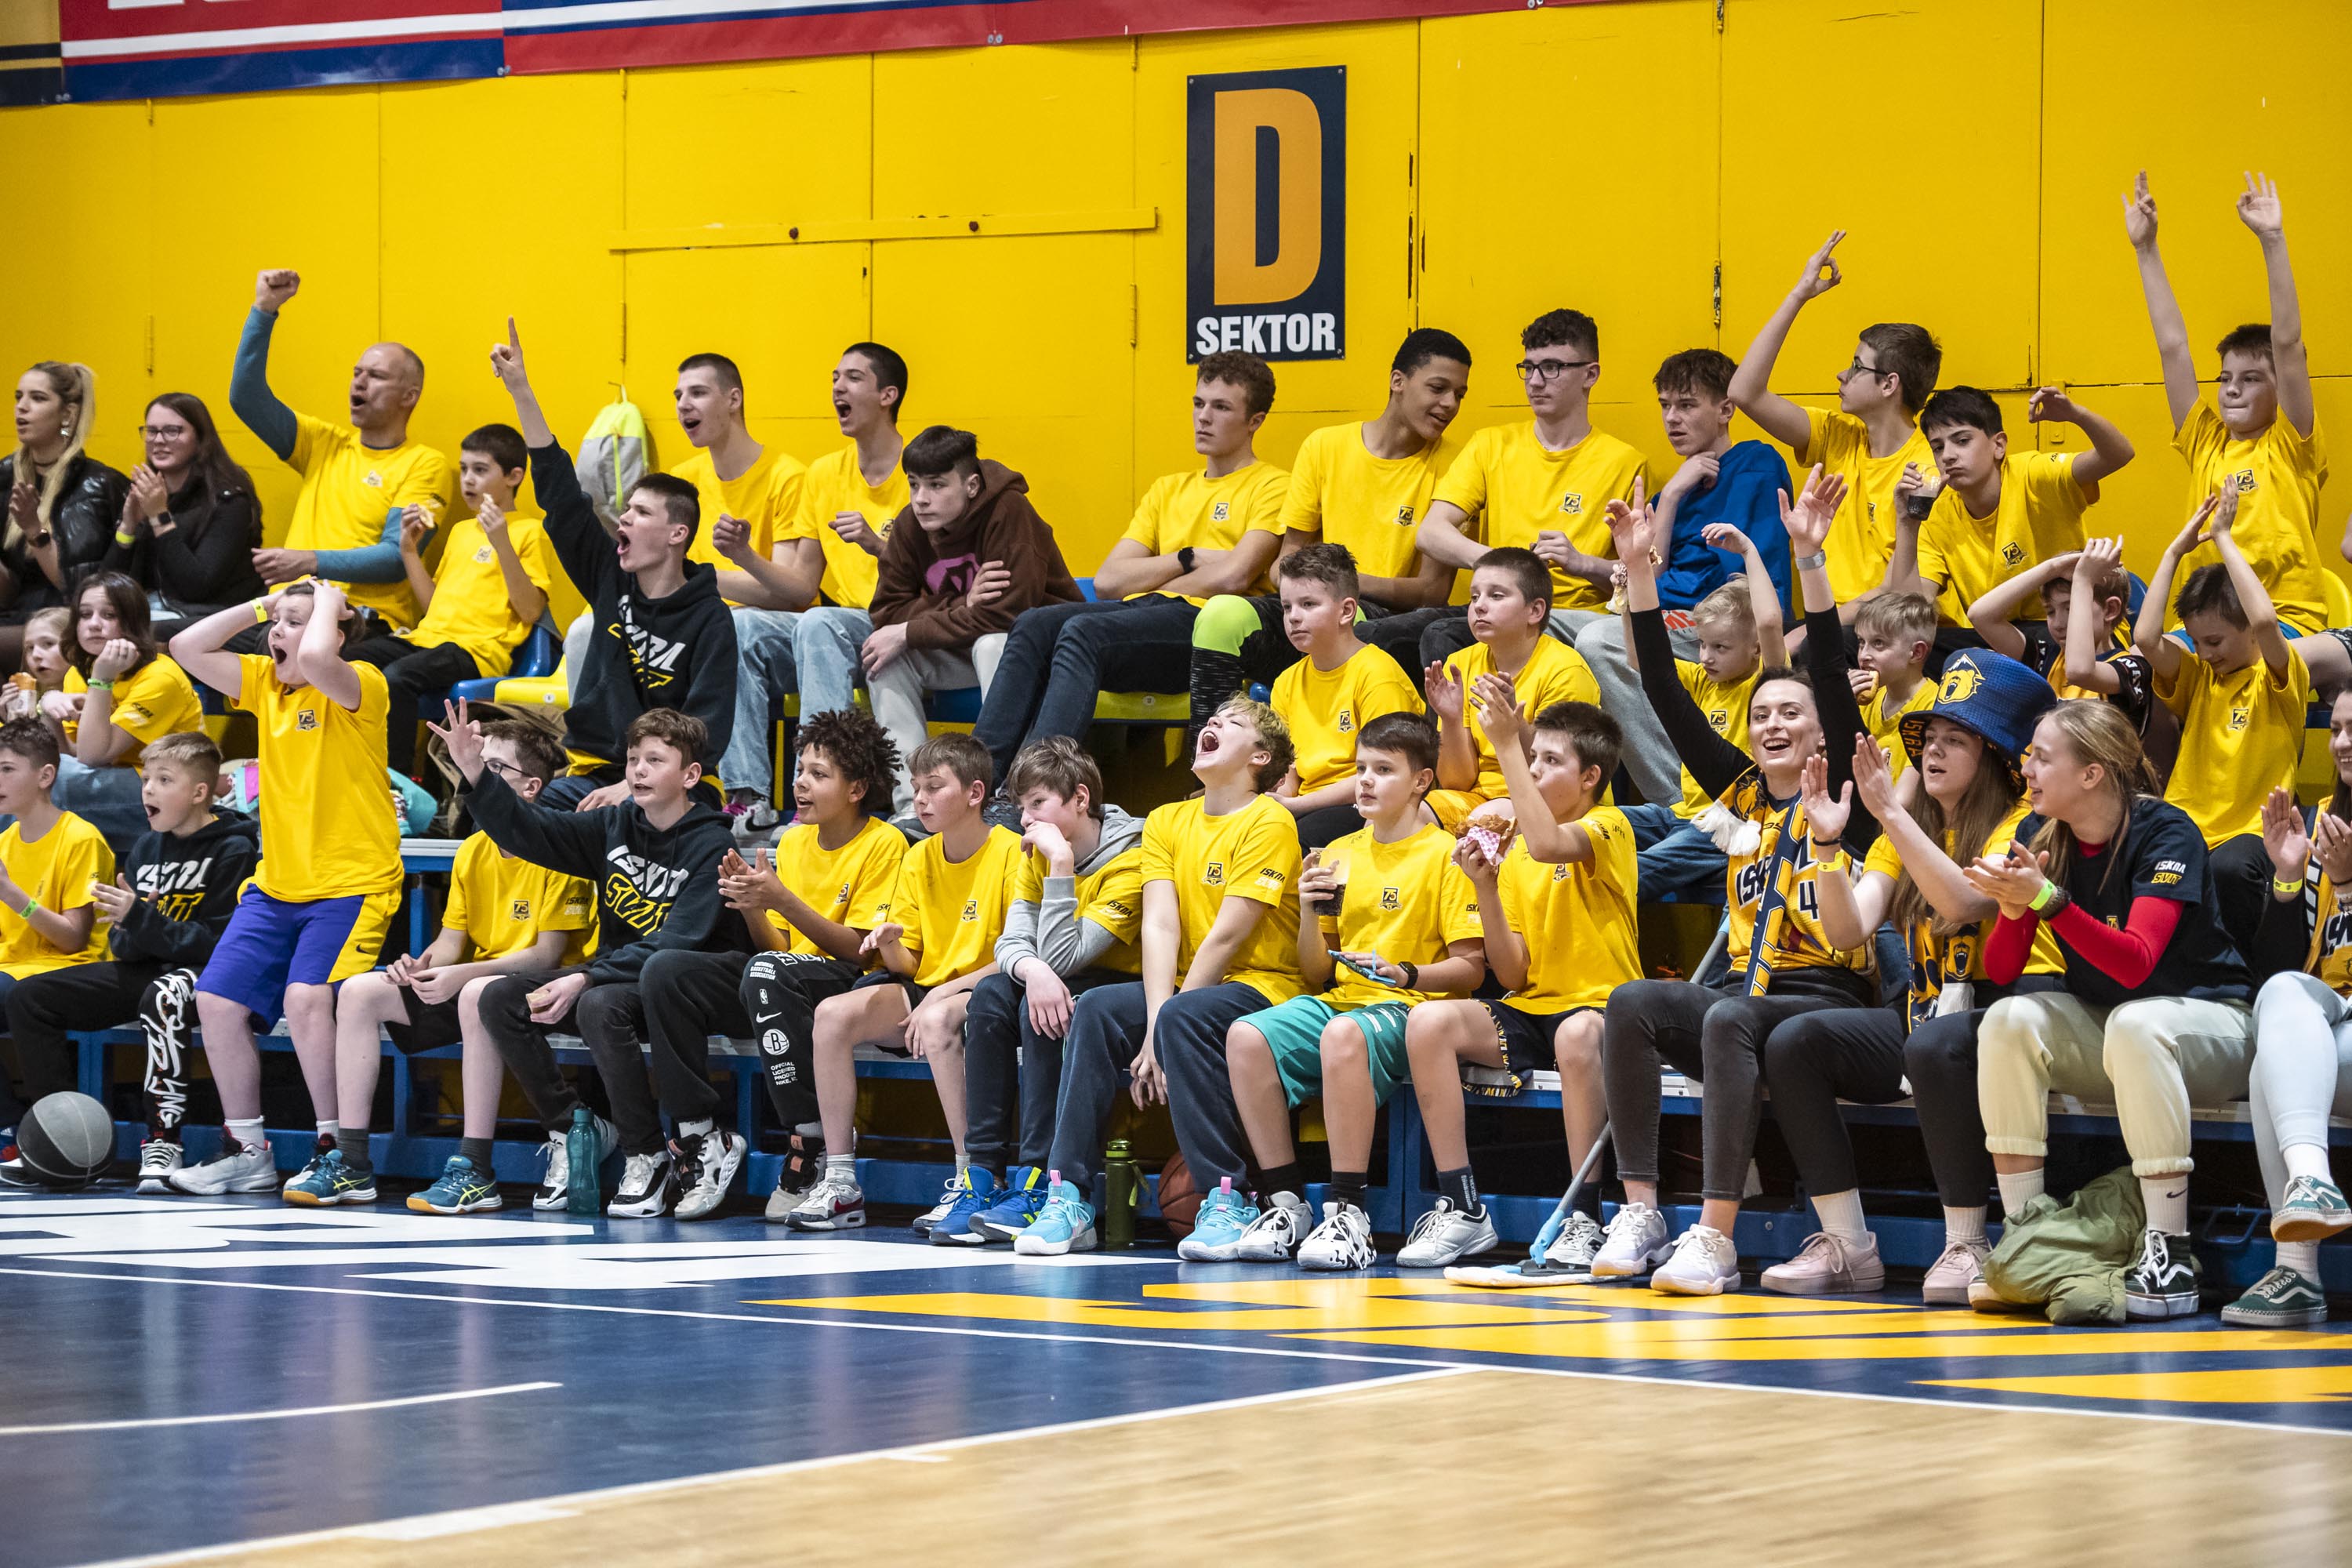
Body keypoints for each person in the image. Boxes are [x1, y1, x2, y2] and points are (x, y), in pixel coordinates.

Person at [1592, 468, 1882, 1295]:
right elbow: (1661, 686)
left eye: (1791, 713)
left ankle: (1715, 1234)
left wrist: (1810, 561)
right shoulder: (1741, 791)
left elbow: (1831, 670)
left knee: (1726, 1014)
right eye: (1761, 715)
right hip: (1746, 1001)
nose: (1773, 723)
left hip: (1825, 1001)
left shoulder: (1849, 796)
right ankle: (1643, 1213)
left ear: (1822, 731)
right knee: (1634, 1003)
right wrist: (1638, 570)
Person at [1759, 652, 2061, 1298]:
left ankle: (1968, 1243)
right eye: (1929, 738)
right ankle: (1847, 1244)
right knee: (1796, 1042)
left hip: (2010, 1010)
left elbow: (1966, 903)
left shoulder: (2021, 823)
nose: (1933, 752)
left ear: (1995, 759)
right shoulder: (1908, 829)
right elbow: (1847, 930)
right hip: (1929, 1014)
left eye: (1956, 740)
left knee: (1933, 1045)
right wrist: (1827, 846)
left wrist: (1891, 814)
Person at [1963, 700, 2254, 1320]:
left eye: (2043, 757)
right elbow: (2004, 971)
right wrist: (2013, 909)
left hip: (2212, 1027)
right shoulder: (2038, 834)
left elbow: (2135, 964)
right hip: (2119, 1030)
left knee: (2136, 1022)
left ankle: (2169, 1251)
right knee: (2008, 1020)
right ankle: (2028, 1238)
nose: (2026, 768)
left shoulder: (2167, 831)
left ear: (2092, 773)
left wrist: (2048, 900)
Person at [1007, 697, 1302, 1256]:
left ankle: (1227, 1197)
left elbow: (1227, 937)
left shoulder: (1271, 820)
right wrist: (1154, 1024)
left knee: (1183, 1016)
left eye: (1232, 723)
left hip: (1263, 985)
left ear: (1260, 757)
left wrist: (1161, 1030)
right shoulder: (1167, 820)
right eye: (1212, 718)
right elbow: (1161, 927)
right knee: (1095, 1008)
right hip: (1187, 991)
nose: (1212, 723)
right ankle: (1068, 1196)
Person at [1195, 713, 1485, 1267]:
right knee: (1247, 1036)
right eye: (1361, 769)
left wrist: (1406, 974)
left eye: (1384, 770)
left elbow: (1471, 968)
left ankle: (1348, 1213)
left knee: (1343, 1032)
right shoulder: (1338, 852)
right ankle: (1285, 1202)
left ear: (1422, 781)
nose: (1366, 781)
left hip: (1415, 1008)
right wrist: (1308, 910)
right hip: (1344, 1002)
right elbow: (1315, 971)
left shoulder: (1445, 856)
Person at [435, 704, 742, 1218]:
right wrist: (475, 773)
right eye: (633, 760)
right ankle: (571, 1127)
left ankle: (646, 1152)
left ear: (690, 775)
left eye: (655, 761)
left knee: (600, 1004)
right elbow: (529, 829)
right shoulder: (613, 824)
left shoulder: (712, 841)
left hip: (683, 990)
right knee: (499, 997)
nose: (638, 771)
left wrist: (584, 976)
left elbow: (677, 942)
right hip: (616, 977)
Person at [160, 580, 401, 1197]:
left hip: (351, 884)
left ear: (336, 632)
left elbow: (317, 657)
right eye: (277, 623)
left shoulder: (362, 682)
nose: (278, 633)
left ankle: (335, 1152)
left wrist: (328, 601)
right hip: (277, 886)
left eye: (296, 622)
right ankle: (247, 1151)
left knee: (306, 1000)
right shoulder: (264, 682)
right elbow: (186, 645)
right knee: (216, 1001)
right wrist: (263, 605)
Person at [1396, 699, 1635, 1271]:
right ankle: (1462, 1206)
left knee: (1576, 1035)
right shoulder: (1519, 850)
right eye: (1532, 757)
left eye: (1550, 760)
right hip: (1532, 1007)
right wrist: (1485, 885)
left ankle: (1584, 1217)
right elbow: (1512, 975)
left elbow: (1552, 844)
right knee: (1428, 1021)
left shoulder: (1609, 825)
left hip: (1602, 1007)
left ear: (1590, 777)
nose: (1533, 769)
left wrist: (1505, 741)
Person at [971, 353, 1286, 785]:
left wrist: (1156, 574)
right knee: (1033, 624)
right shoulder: (1167, 489)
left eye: (1221, 407)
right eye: (1198, 403)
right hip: (1141, 615)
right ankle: (976, 783)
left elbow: (1234, 578)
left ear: (1255, 421)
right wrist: (1188, 556)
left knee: (1083, 631)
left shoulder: (1274, 486)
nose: (1204, 417)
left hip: (1205, 628)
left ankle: (1035, 788)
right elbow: (1109, 581)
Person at [323, 719, 596, 1213]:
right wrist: (423, 965)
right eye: (476, 764)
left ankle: (475, 1167)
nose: (478, 774)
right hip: (478, 982)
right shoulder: (473, 847)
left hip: (544, 993)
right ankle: (352, 1160)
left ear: (531, 787)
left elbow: (546, 955)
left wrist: (461, 974)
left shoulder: (561, 848)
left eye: (495, 767)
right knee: (360, 992)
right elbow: (452, 941)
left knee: (475, 994)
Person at [491, 319, 736, 809]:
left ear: (677, 534)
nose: (624, 518)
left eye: (641, 513)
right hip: (596, 774)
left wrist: (638, 782)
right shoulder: (610, 577)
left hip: (679, 786)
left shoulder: (711, 620)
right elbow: (561, 494)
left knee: (642, 820)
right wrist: (521, 390)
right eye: (627, 510)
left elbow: (705, 732)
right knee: (518, 819)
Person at [782, 733, 1022, 1232]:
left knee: (936, 1020)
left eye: (934, 787)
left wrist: (942, 993)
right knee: (832, 1015)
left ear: (975, 793)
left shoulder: (1012, 853)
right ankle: (841, 1182)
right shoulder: (918, 856)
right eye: (916, 789)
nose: (920, 800)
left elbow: (1018, 954)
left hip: (991, 988)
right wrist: (890, 943)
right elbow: (911, 966)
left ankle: (975, 1177)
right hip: (929, 989)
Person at [0, 731, 256, 1191]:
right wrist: (131, 927)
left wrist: (142, 919)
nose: (149, 790)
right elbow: (124, 949)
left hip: (205, 975)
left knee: (163, 994)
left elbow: (219, 943)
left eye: (164, 780)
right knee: (31, 998)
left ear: (199, 792)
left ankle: (163, 1139)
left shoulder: (234, 849)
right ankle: (56, 1138)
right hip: (149, 967)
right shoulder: (145, 849)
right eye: (145, 780)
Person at [1185, 328, 1469, 711]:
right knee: (1221, 615)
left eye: (1459, 395)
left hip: (1383, 616)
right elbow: (1284, 563)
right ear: (1397, 382)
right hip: (1311, 602)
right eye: (1438, 388)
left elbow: (1431, 592)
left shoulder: (1456, 463)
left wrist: (1342, 586)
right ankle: (1213, 747)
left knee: (1346, 622)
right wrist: (1315, 590)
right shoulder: (1325, 446)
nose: (1449, 404)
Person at [951, 738, 1145, 1245]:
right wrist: (1033, 971)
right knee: (991, 995)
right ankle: (982, 1179)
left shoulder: (1132, 858)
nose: (1026, 819)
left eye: (1037, 803)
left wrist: (1061, 867)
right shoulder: (1036, 848)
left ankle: (1038, 1181)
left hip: (1121, 985)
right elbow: (1012, 942)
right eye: (1022, 807)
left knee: (1046, 1008)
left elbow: (1067, 957)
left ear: (1080, 799)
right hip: (1060, 975)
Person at [1581, 348, 1792, 809]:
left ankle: (1678, 794)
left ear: (1726, 410)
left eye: (1687, 405)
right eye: (1665, 405)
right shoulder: (1671, 489)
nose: (1672, 418)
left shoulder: (1755, 463)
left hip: (1712, 619)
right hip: (1658, 608)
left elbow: (1747, 582)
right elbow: (1650, 572)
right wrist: (1674, 493)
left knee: (1597, 640)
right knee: (1539, 626)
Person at [717, 708, 907, 1218]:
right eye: (800, 770)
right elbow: (776, 945)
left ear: (856, 788)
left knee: (766, 973)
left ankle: (810, 1142)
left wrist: (780, 898)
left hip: (857, 979)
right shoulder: (795, 839)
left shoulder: (884, 842)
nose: (801, 783)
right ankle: (802, 1135)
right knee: (741, 971)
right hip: (795, 975)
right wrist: (753, 904)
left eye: (819, 774)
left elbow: (859, 949)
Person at [2127, 171, 2328, 637]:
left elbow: (2288, 344)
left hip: (2284, 621)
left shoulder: (2291, 444)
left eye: (2251, 379)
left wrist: (2272, 239)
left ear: (2280, 389)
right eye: (2225, 379)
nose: (2231, 389)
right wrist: (2146, 249)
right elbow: (2173, 348)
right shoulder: (2206, 442)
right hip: (2203, 628)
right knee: (2133, 662)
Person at [863, 426, 1081, 817]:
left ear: (972, 486)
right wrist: (962, 604)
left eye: (936, 485)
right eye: (913, 484)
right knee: (886, 657)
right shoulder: (911, 524)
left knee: (993, 643)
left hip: (1044, 655)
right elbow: (886, 611)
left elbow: (1010, 615)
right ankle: (915, 807)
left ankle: (1007, 795)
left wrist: (914, 626)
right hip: (961, 647)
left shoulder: (1009, 511)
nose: (921, 498)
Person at [1413, 309, 1650, 666]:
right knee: (1381, 634)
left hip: (1570, 615)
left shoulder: (1625, 463)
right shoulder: (1490, 444)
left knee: (1441, 634)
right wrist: (1505, 567)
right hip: (1499, 605)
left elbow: (1640, 576)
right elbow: (1430, 532)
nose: (1536, 382)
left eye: (1552, 367)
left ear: (1590, 374)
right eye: (1529, 368)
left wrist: (1582, 563)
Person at [229, 270, 456, 633]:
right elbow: (246, 398)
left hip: (358, 619)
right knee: (176, 642)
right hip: (284, 612)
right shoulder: (321, 443)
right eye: (356, 372)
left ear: (409, 397)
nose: (359, 382)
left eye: (376, 376)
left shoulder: (425, 464)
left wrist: (310, 561)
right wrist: (264, 310)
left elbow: (395, 556)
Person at [1729, 233, 1940, 615]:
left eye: (1857, 366)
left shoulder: (1927, 471)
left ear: (1889, 384)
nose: (1842, 374)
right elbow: (1744, 393)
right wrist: (1799, 295)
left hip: (1884, 626)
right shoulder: (1837, 435)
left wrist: (1814, 631)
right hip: (1831, 623)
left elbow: (1899, 593)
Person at [2137, 487, 2308, 955]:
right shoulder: (2199, 678)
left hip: (2250, 834)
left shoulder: (2279, 678)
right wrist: (2174, 553)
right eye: (2197, 642)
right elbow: (2147, 638)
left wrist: (2224, 538)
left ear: (2247, 629)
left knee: (2228, 870)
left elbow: (2268, 622)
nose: (2205, 653)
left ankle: (2242, 980)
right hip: (2185, 824)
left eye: (2214, 641)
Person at [753, 343, 913, 832]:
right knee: (739, 627)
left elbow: (938, 573)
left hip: (902, 621)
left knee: (820, 623)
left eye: (854, 378)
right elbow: (802, 585)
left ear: (888, 395)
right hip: (840, 627)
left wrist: (876, 545)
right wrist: (743, 557)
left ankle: (822, 791)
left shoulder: (921, 471)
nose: (838, 388)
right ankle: (748, 799)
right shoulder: (823, 473)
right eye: (834, 378)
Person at [669, 352, 826, 827]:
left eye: (698, 392)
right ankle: (621, 780)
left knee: (731, 625)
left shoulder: (787, 476)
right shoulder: (682, 480)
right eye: (678, 395)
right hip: (703, 628)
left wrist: (702, 580)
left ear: (734, 399)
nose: (683, 404)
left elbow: (791, 594)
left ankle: (749, 795)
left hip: (781, 638)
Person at [347, 423, 557, 779]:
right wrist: (408, 551)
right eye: (464, 469)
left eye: (480, 470)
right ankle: (350, 768)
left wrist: (501, 543)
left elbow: (530, 609)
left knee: (397, 678)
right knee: (347, 659)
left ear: (514, 476)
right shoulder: (461, 531)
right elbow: (433, 607)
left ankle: (397, 783)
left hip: (475, 650)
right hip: (427, 640)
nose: (468, 480)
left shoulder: (530, 531)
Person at [2230, 756, 2352, 1326]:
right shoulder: (2323, 821)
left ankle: (2298, 1266)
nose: (2344, 743)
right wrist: (2287, 878)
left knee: (2271, 1065)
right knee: (2279, 1001)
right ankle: (2311, 1186)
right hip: (2332, 1022)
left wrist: (2346, 887)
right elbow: (2282, 969)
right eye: (2339, 729)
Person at [1885, 387, 2128, 645]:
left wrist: (2077, 415)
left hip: (2069, 628)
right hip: (1996, 633)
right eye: (1938, 447)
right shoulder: (1938, 512)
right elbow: (1908, 616)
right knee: (1905, 646)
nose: (1948, 456)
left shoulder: (2034, 474)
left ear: (1999, 445)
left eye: (1962, 441)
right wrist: (1907, 523)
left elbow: (2119, 455)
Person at [1616, 532, 1783, 902]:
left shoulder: (1767, 683)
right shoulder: (1704, 680)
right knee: (1601, 825)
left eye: (1720, 647)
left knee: (1636, 871)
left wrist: (1748, 550)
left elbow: (1771, 623)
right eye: (1703, 644)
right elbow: (1641, 660)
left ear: (1756, 649)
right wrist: (1627, 599)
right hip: (1683, 814)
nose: (1706, 657)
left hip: (1735, 821)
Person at [0, 718, 115, 1163]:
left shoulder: (80, 838)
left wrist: (12, 893)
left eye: (8, 770)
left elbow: (72, 939)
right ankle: (10, 1120)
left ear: (45, 776)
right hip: (13, 966)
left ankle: (18, 1127)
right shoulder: (5, 841)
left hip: (66, 970)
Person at [1421, 547, 1599, 834]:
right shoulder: (1460, 663)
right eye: (1474, 596)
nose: (1479, 606)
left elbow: (1560, 778)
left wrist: (1513, 725)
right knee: (1400, 815)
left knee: (1483, 823)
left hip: (1548, 801)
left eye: (1496, 595)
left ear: (1535, 611)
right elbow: (1457, 782)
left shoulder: (1566, 670)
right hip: (1478, 798)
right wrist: (1451, 720)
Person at [1265, 544, 1424, 850]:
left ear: (1346, 611)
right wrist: (1275, 805)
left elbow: (1386, 773)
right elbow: (1288, 774)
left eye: (1308, 604)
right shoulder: (1286, 681)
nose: (1294, 617)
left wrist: (1297, 807)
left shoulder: (1378, 675)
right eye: (1287, 607)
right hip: (1307, 803)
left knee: (1295, 840)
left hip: (1366, 802)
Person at [44, 571, 205, 848]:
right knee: (35, 771)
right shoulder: (79, 673)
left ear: (132, 622)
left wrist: (102, 680)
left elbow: (92, 756)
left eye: (109, 615)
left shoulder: (160, 677)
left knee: (43, 783)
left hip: (170, 789)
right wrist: (49, 709)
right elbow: (71, 753)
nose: (94, 624)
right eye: (85, 615)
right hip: (114, 778)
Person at [1966, 535, 2159, 749]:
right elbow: (1980, 616)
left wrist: (2083, 580)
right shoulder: (2044, 658)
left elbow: (2080, 671)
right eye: (2050, 611)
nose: (2058, 623)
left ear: (2110, 609)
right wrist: (2052, 568)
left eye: (2071, 608)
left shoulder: (2132, 668)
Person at [103, 393, 266, 634]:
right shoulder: (145, 493)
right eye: (151, 431)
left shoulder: (229, 501)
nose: (159, 440)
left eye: (172, 431)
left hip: (215, 619)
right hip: (156, 610)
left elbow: (197, 587)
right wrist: (127, 528)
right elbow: (105, 590)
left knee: (131, 633)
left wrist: (160, 517)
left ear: (200, 439)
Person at [2, 361, 127, 666]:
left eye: (37, 398)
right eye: (19, 397)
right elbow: (9, 583)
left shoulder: (96, 485)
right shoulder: (5, 476)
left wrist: (34, 530)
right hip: (17, 614)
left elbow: (79, 589)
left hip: (70, 618)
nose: (22, 407)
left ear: (67, 414)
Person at [1852, 590, 1936, 782]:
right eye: (1861, 642)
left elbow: (1905, 796)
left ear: (1916, 652)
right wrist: (1841, 708)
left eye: (1878, 643)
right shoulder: (1861, 700)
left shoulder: (1932, 709)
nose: (1864, 655)